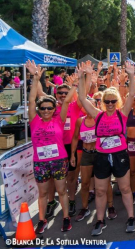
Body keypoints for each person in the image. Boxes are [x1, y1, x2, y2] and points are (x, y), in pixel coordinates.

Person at [78, 61, 135, 236]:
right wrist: (83, 77)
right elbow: (82, 98)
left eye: (113, 101)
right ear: (103, 102)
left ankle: (131, 217)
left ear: (117, 102)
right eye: (107, 101)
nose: (110, 104)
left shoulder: (122, 114)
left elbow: (132, 94)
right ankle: (100, 220)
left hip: (119, 155)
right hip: (102, 156)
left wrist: (132, 76)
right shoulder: (98, 115)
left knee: (125, 188)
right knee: (101, 190)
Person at [26, 60, 76, 233]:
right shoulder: (34, 121)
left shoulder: (59, 119)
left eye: (49, 108)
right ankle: (41, 220)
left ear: (54, 108)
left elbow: (68, 100)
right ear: (39, 109)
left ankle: (66, 218)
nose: (46, 110)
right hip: (40, 162)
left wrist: (76, 84)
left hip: (59, 160)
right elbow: (32, 99)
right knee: (43, 194)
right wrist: (35, 77)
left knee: (62, 191)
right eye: (43, 108)